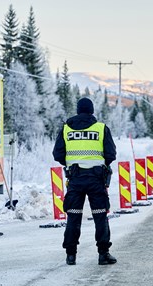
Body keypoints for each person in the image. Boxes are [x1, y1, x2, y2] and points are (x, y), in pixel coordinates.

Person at [52, 98, 117, 265]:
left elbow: (58, 154)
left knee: (73, 216)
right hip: (96, 179)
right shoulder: (101, 128)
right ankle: (103, 254)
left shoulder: (66, 129)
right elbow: (111, 154)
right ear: (92, 111)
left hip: (75, 179)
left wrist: (72, 164)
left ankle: (71, 255)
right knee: (100, 216)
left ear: (78, 110)